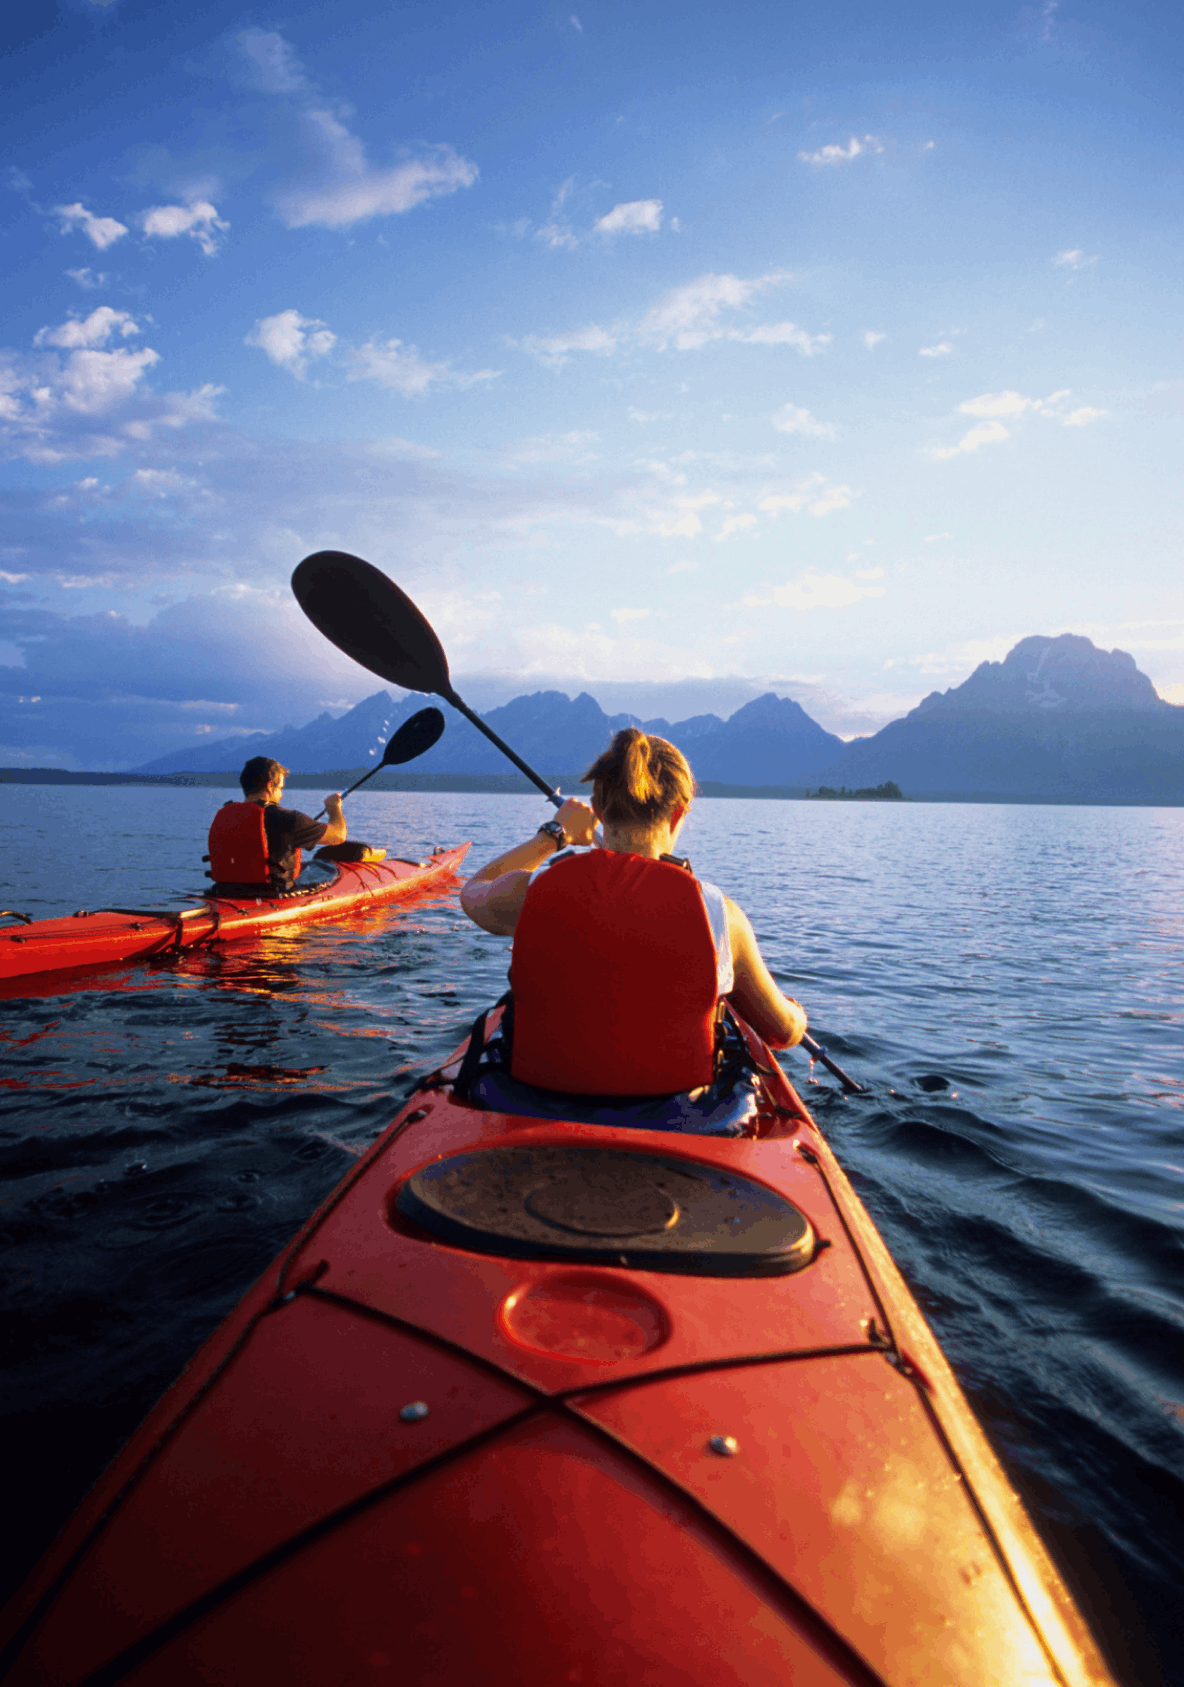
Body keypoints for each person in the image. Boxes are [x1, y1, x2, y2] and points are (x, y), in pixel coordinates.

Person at [460, 728, 806, 1097]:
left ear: (597, 804)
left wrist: (554, 835)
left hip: (536, 1107)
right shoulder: (719, 914)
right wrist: (797, 1014)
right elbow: (780, 1032)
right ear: (678, 814)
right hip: (682, 1124)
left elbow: (473, 891)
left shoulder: (530, 894)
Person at [206, 757, 347, 894]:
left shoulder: (228, 815)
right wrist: (334, 808)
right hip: (272, 896)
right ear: (269, 786)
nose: (281, 795)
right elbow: (338, 835)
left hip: (223, 893)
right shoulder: (288, 819)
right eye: (280, 788)